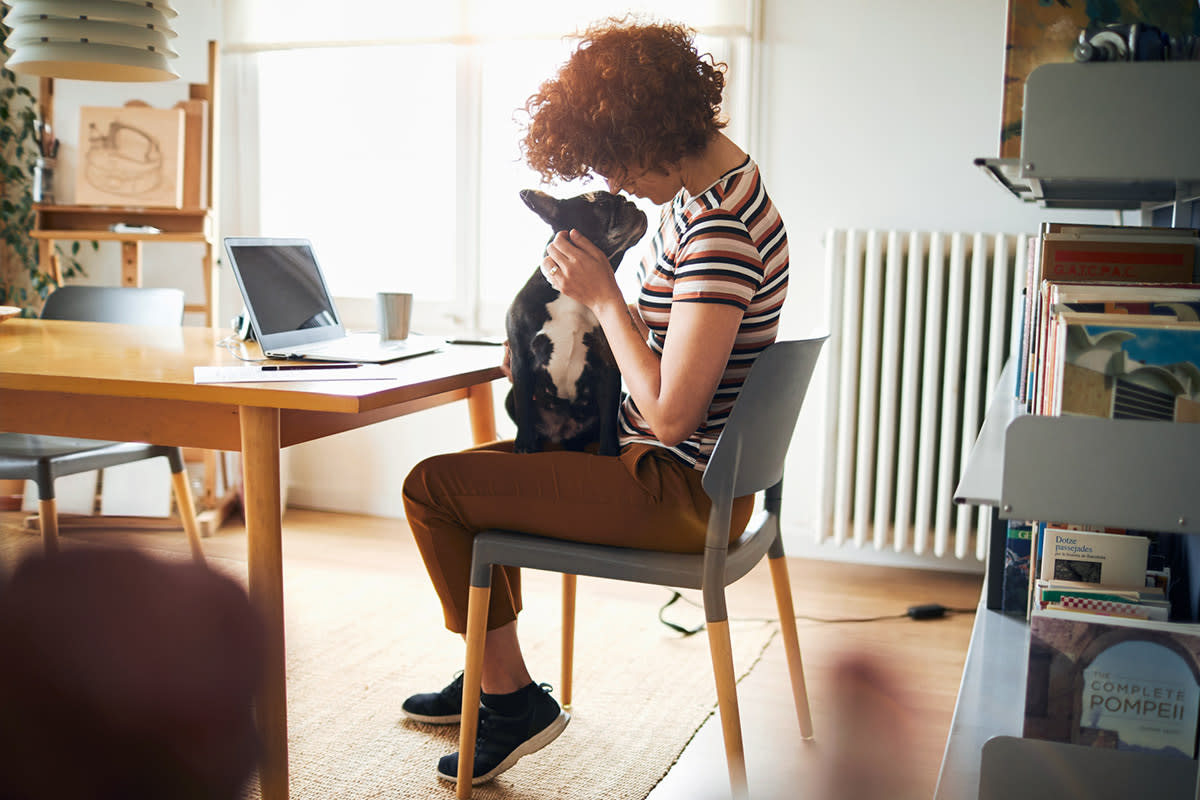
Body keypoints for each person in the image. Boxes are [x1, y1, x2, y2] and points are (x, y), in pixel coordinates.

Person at [400, 16, 789, 785]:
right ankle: (491, 673)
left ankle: (509, 700)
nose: (610, 183)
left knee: (432, 489)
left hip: (672, 486)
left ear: (650, 129)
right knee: (468, 478)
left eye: (611, 160)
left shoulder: (718, 231)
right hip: (674, 471)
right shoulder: (717, 197)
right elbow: (666, 348)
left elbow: (674, 413)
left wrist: (605, 299)